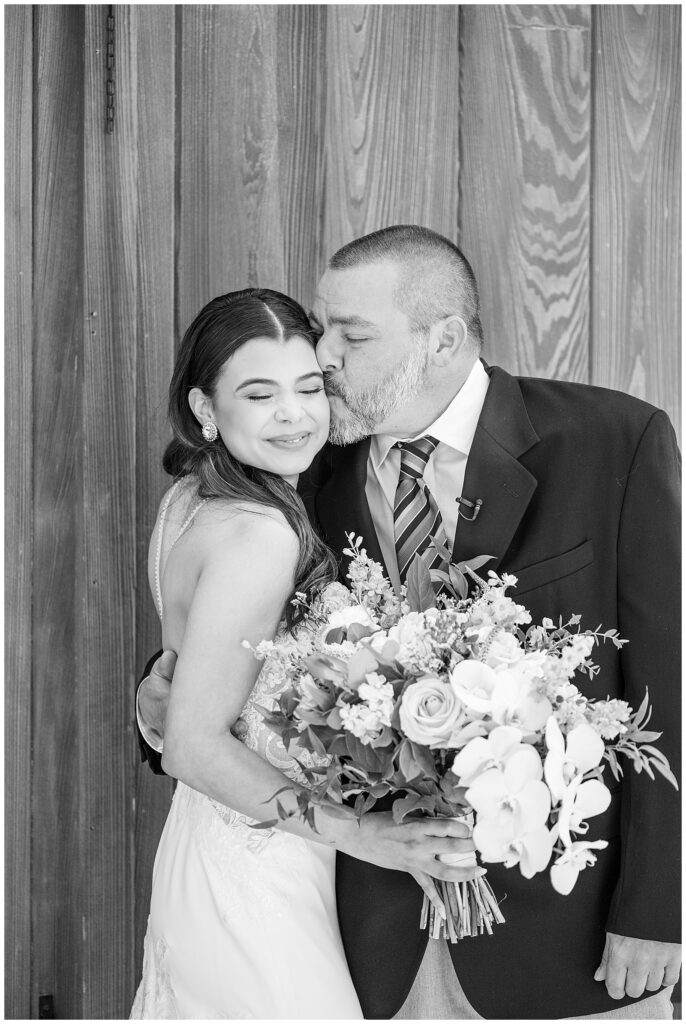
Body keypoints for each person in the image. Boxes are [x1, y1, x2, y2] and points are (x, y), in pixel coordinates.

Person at [138, 227, 681, 1019]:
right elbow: (234, 664)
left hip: (568, 936)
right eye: (323, 328)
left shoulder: (611, 440)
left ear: (442, 340)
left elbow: (670, 685)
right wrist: (158, 699)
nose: (323, 358)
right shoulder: (303, 467)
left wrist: (661, 910)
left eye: (351, 336)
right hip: (362, 935)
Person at [130, 287, 479, 1020]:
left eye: (310, 387)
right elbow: (191, 746)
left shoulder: (190, 499)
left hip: (215, 847)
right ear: (204, 408)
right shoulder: (262, 533)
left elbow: (195, 680)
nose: (295, 414)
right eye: (260, 394)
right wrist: (365, 835)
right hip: (260, 873)